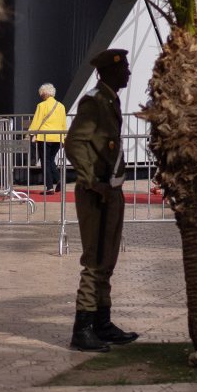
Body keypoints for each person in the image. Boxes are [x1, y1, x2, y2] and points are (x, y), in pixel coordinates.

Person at [62, 49, 140, 351]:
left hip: (111, 191)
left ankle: (101, 323)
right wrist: (91, 181)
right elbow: (75, 143)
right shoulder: (93, 102)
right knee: (94, 261)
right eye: (124, 69)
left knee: (107, 260)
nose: (128, 74)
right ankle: (81, 330)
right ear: (108, 71)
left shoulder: (110, 99)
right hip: (97, 194)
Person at [27, 82, 69, 189]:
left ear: (45, 93)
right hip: (58, 137)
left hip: (45, 137)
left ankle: (49, 186)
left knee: (45, 161)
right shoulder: (61, 106)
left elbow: (37, 120)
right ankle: (59, 179)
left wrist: (30, 133)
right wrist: (64, 137)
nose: (40, 96)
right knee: (50, 160)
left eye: (41, 93)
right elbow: (63, 123)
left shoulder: (41, 105)